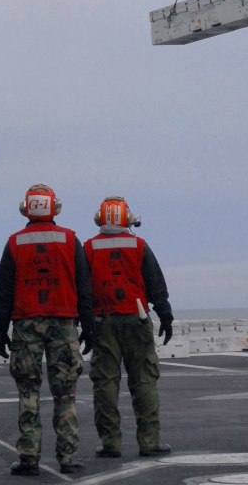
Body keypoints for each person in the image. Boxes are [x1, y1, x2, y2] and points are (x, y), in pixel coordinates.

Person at [0, 184, 93, 476]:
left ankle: (28, 457)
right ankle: (69, 456)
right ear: (55, 208)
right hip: (63, 323)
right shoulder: (70, 240)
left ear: (25, 209)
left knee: (28, 392)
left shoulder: (14, 243)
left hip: (25, 324)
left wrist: (1, 332)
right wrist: (88, 326)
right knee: (66, 394)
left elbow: (4, 293)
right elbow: (83, 287)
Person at [83, 195, 173, 459]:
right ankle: (149, 441)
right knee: (144, 380)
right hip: (137, 319)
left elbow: (83, 290)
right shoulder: (139, 245)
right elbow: (156, 285)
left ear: (100, 219)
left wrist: (85, 324)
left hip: (102, 321)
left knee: (105, 384)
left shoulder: (88, 248)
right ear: (127, 219)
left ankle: (110, 443)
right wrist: (165, 316)